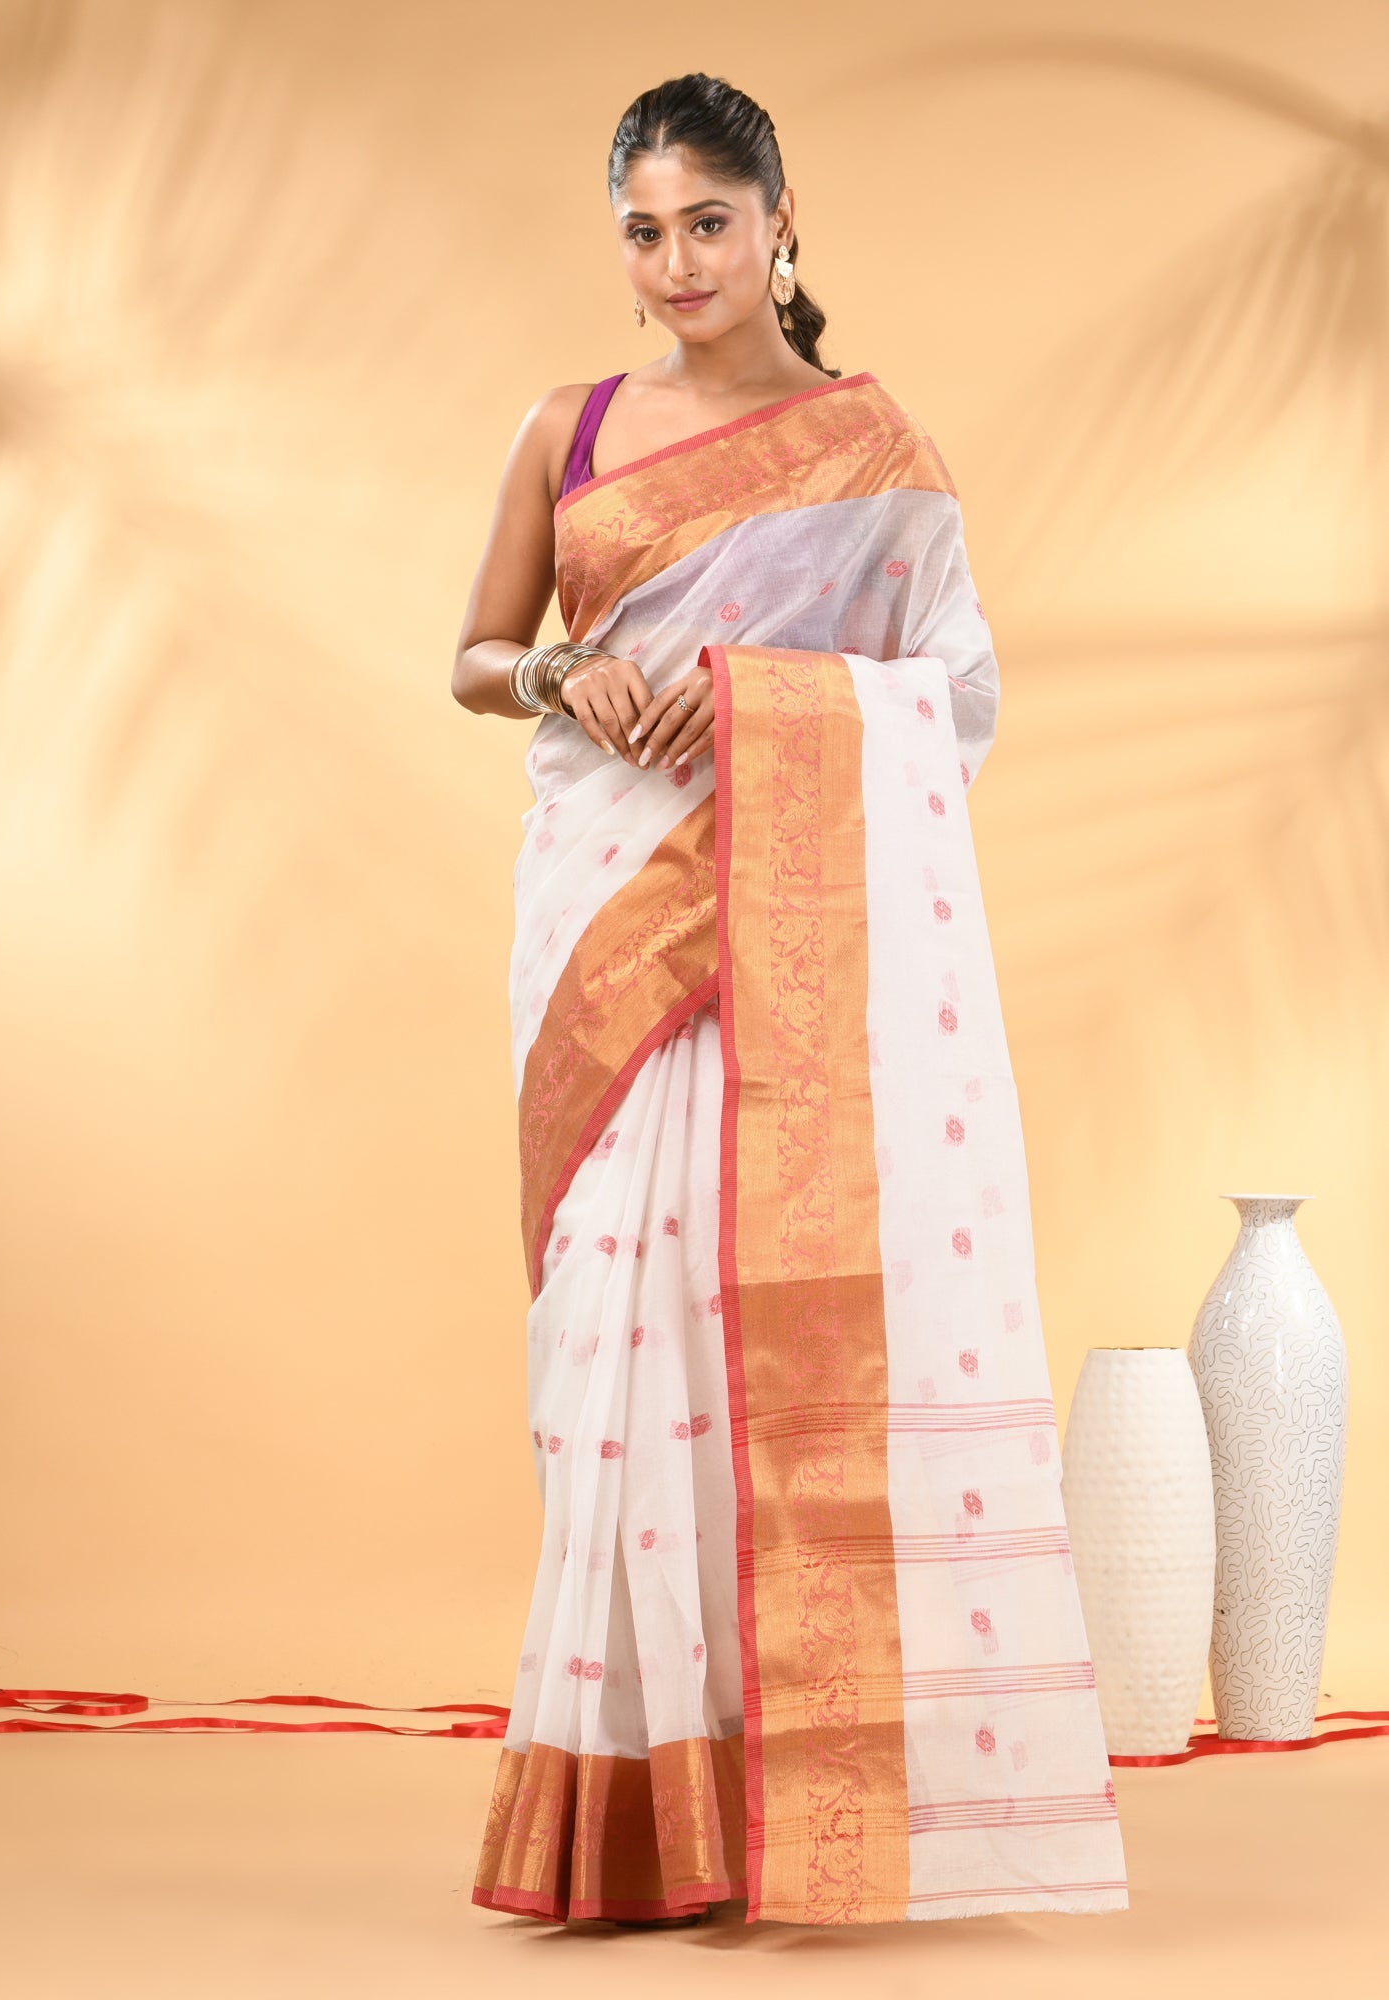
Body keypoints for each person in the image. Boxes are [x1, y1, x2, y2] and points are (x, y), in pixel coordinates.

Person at [451, 71, 1128, 1930]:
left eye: (709, 224)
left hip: (780, 940)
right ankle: (626, 1809)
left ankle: (784, 1797)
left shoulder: (873, 448)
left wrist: (759, 702)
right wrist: (567, 680)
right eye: (644, 232)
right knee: (613, 1333)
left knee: (742, 1326)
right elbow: (478, 654)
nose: (677, 265)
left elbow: (955, 697)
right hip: (604, 916)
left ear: (779, 221)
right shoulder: (570, 427)